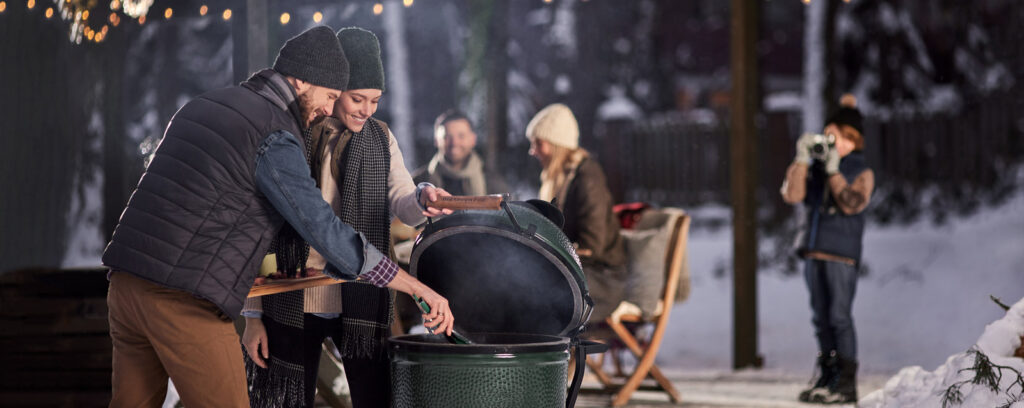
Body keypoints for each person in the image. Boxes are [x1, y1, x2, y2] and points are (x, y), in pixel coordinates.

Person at [101, 26, 454, 408]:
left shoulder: (204, 105)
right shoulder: (277, 134)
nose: (329, 107)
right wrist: (414, 286)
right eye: (332, 96)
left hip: (126, 285)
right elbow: (320, 226)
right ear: (302, 80)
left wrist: (420, 201)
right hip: (185, 298)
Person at [241, 27, 450, 408]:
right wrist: (253, 315)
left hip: (360, 295)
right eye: (358, 98)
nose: (367, 110)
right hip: (292, 296)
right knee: (287, 400)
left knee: (375, 397)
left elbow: (402, 198)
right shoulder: (291, 134)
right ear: (334, 89)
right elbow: (259, 225)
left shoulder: (381, 139)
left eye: (375, 100)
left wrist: (423, 198)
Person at [780, 94, 874, 404]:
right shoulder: (815, 164)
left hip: (842, 255)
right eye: (835, 133)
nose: (840, 141)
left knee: (839, 316)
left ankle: (846, 383)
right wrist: (801, 159)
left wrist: (834, 172)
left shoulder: (861, 170)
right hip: (813, 250)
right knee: (820, 317)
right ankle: (827, 375)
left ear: (856, 141)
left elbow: (851, 204)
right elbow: (792, 195)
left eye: (849, 137)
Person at [524, 103, 627, 324]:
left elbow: (592, 245)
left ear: (557, 144)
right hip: (579, 271)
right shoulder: (558, 179)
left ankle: (548, 355)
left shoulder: (587, 177)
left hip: (602, 278)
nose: (532, 151)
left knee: (538, 293)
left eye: (538, 143)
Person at [412, 109, 508, 196]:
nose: (454, 143)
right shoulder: (417, 184)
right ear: (436, 140)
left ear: (473, 140)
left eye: (461, 136)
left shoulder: (494, 183)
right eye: (447, 137)